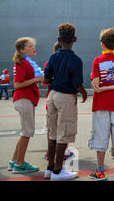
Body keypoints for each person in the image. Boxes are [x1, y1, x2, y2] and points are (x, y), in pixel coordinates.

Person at [43, 23, 87, 180]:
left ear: (58, 39)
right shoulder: (76, 60)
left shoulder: (53, 57)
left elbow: (46, 78)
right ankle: (58, 171)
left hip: (53, 95)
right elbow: (77, 83)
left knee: (53, 133)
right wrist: (83, 92)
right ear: (74, 39)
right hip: (66, 97)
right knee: (64, 133)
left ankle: (49, 168)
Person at [88, 28, 114, 180]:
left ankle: (100, 171)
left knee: (100, 137)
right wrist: (112, 86)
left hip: (101, 105)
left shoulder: (97, 61)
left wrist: (104, 87)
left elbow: (95, 84)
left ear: (102, 44)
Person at [9, 37, 44, 174]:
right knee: (27, 132)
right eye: (30, 46)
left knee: (25, 131)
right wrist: (37, 79)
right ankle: (19, 163)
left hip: (24, 99)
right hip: (24, 99)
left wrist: (36, 79)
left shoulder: (24, 62)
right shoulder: (23, 63)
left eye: (33, 45)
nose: (33, 48)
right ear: (22, 50)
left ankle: (14, 161)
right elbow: (17, 84)